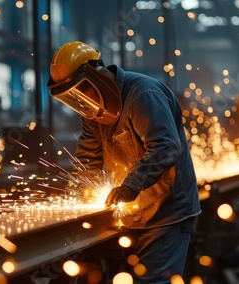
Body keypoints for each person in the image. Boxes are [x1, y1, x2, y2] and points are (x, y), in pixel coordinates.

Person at [47, 41, 201, 283]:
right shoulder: (92, 108)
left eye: (82, 90)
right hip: (132, 213)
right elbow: (89, 155)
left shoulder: (143, 94)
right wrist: (81, 191)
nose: (82, 100)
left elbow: (166, 146)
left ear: (96, 73)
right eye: (73, 97)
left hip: (166, 212)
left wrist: (130, 185)